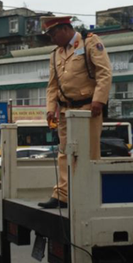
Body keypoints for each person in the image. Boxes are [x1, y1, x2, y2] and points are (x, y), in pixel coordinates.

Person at [37, 16, 112, 209]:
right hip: (65, 111)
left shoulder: (89, 42)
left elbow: (104, 72)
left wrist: (99, 100)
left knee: (89, 152)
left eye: (53, 34)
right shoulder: (55, 54)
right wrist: (49, 110)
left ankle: (90, 193)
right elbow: (52, 86)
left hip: (88, 108)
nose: (52, 38)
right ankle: (62, 194)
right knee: (64, 152)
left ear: (64, 29)